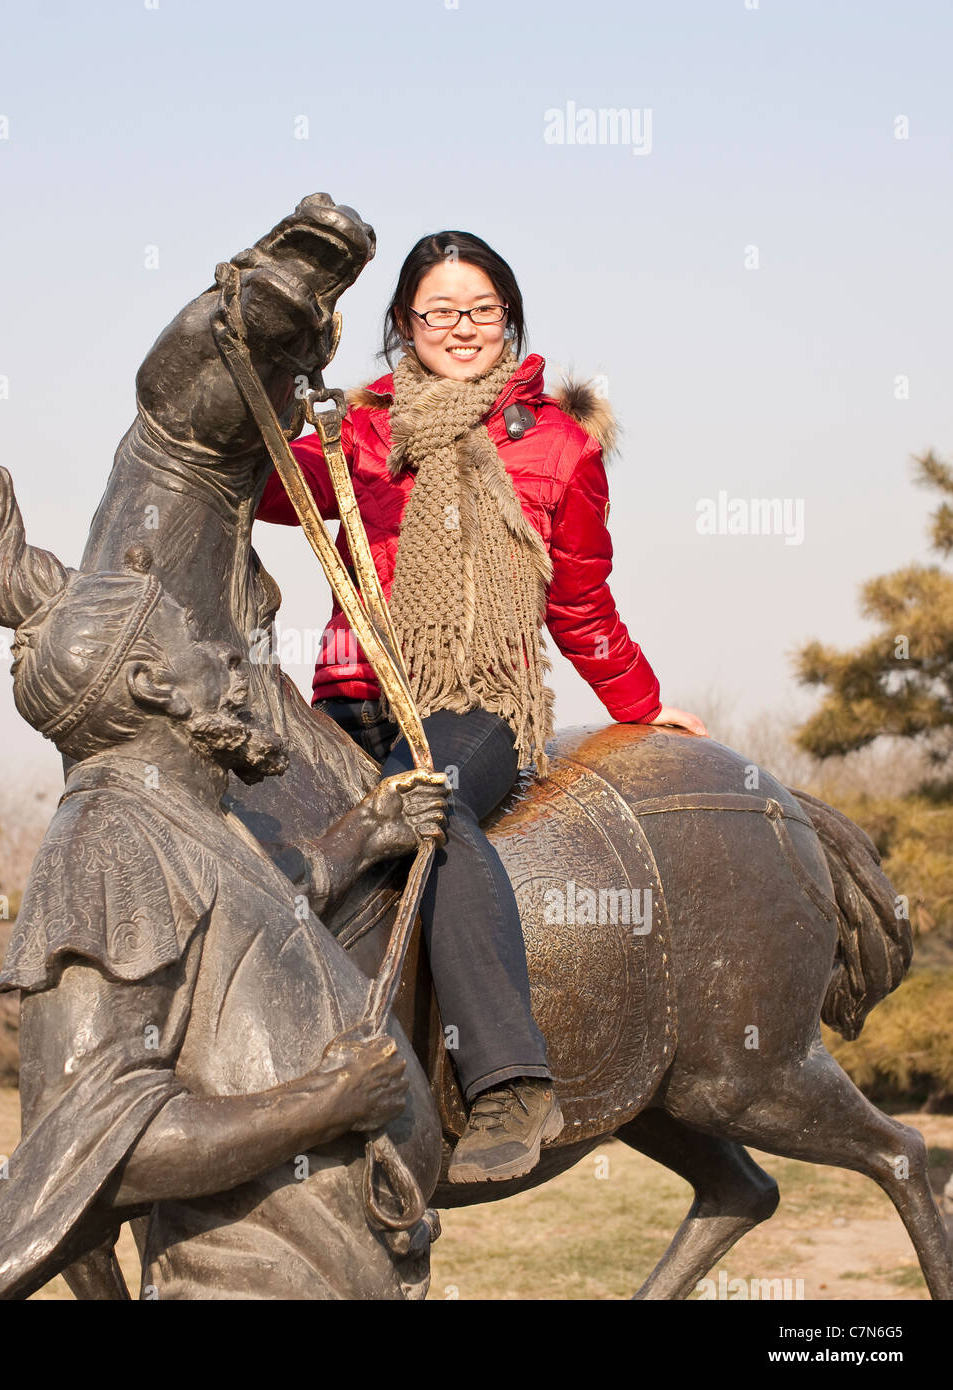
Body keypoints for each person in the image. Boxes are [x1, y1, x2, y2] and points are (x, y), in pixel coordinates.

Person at [254, 230, 708, 1184]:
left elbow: (580, 600)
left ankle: (508, 1082)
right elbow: (255, 484)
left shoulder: (559, 448)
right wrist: (255, 372)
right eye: (437, 312)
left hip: (476, 706)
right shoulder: (357, 435)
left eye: (480, 311)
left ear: (508, 320)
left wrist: (643, 703)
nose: (459, 328)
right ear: (402, 326)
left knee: (427, 805)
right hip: (347, 696)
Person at [0, 464, 452, 1300]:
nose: (225, 648)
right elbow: (99, 1144)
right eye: (195, 632)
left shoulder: (185, 818)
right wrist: (321, 1107)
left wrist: (360, 838)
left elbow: (248, 927)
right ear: (152, 683)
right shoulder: (106, 842)